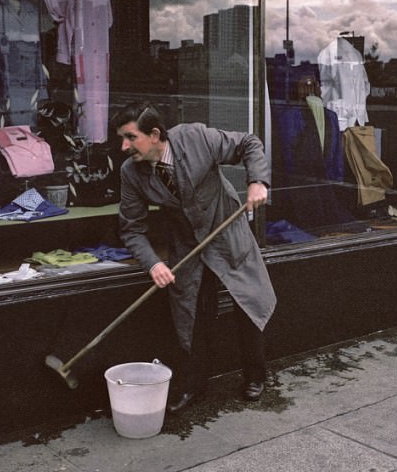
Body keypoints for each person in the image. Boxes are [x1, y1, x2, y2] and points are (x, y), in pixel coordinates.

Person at [112, 102, 277, 411]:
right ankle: (193, 385)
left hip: (226, 232)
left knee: (247, 302)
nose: (124, 146)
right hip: (187, 244)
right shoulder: (131, 173)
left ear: (155, 134)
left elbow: (248, 143)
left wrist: (257, 181)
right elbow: (131, 229)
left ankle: (256, 374)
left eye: (130, 137)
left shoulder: (196, 138)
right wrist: (154, 263)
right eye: (122, 138)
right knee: (191, 313)